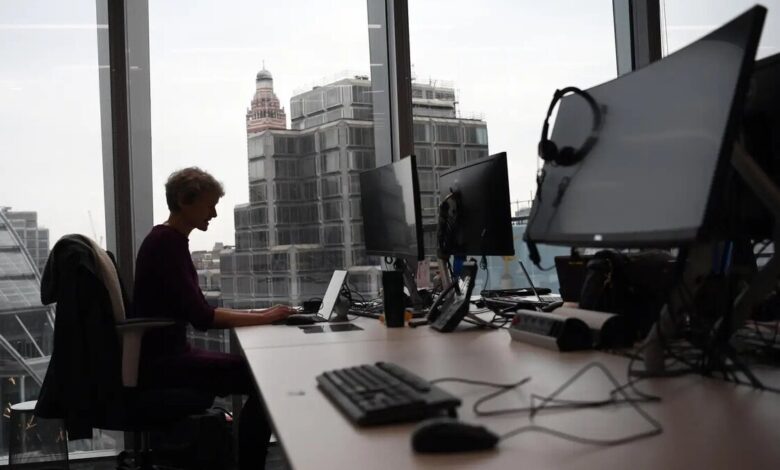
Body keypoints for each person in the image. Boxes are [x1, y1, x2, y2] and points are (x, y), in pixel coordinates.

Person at [131, 167, 294, 469]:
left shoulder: (166, 241)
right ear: (184, 201)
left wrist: (261, 315)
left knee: (256, 374)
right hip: (165, 363)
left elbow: (198, 311)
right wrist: (263, 316)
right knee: (264, 379)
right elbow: (202, 317)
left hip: (167, 356)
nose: (214, 214)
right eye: (210, 205)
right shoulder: (167, 244)